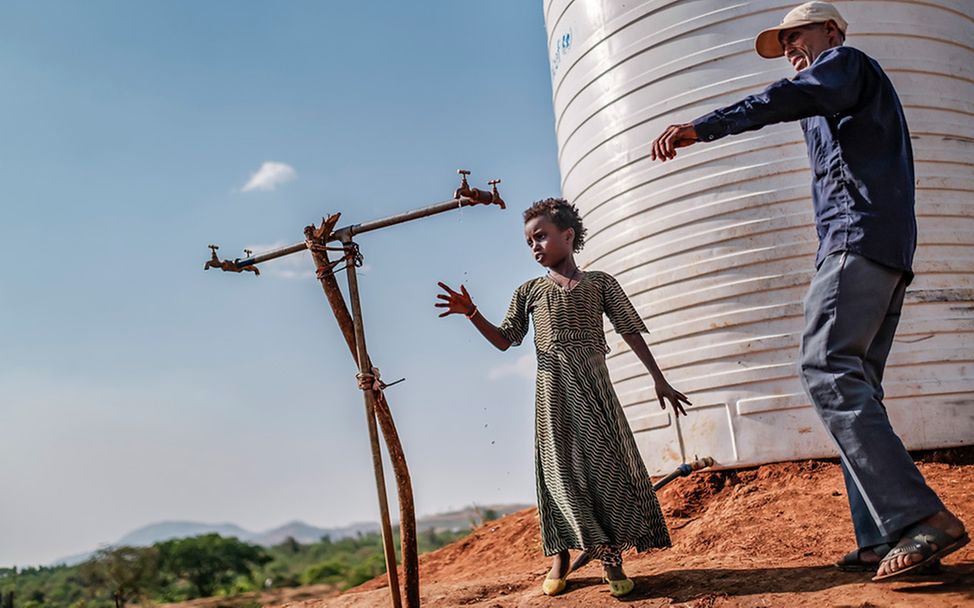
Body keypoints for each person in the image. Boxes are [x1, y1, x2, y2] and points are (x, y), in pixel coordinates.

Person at [648, 1, 967, 581]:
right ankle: (879, 533)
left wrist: (704, 126)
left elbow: (780, 99)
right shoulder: (834, 93)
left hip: (859, 243)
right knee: (857, 384)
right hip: (882, 248)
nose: (792, 50)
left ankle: (920, 517)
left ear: (831, 30)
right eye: (784, 45)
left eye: (797, 38)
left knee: (825, 368)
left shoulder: (844, 64)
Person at [435, 198, 691, 597]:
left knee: (607, 468)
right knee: (559, 473)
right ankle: (561, 555)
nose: (535, 246)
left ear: (567, 236)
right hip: (553, 395)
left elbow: (629, 330)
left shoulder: (601, 283)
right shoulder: (530, 291)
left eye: (541, 236)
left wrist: (659, 378)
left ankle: (611, 558)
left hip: (595, 392)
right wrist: (472, 313)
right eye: (529, 241)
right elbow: (506, 340)